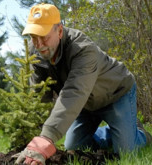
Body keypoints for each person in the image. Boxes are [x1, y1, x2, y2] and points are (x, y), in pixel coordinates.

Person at [16, 3, 152, 165]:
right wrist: (31, 134)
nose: (39, 44)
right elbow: (39, 97)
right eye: (33, 37)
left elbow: (75, 92)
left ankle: (139, 133)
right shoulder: (36, 52)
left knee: (126, 150)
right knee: (74, 146)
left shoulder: (82, 49)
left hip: (115, 94)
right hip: (84, 104)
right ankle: (116, 132)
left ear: (59, 31)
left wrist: (46, 137)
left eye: (43, 36)